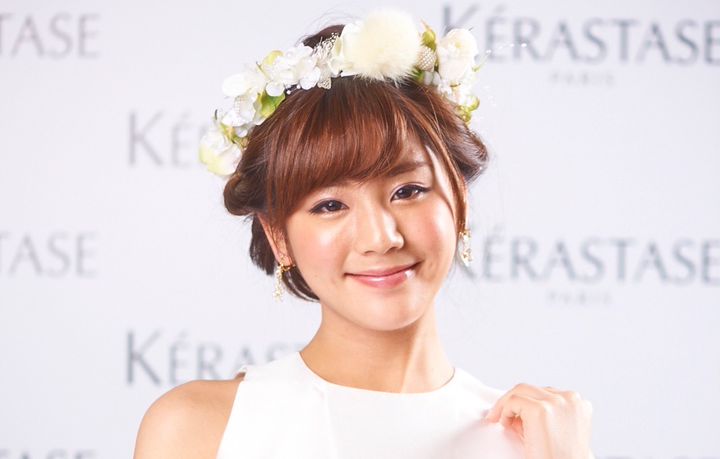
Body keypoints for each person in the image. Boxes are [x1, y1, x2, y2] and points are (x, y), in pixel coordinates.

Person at [133, 8, 595, 459]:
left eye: (407, 191)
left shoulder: (532, 440)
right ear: (278, 236)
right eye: (330, 205)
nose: (381, 238)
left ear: (460, 200)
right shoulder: (201, 428)